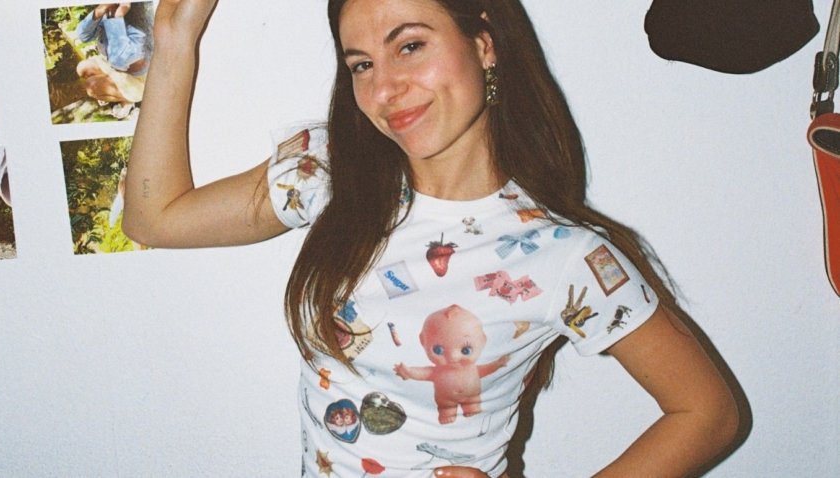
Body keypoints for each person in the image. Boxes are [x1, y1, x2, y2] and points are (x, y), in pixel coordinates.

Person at [123, 0, 740, 476]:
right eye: (361, 64)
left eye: (410, 46)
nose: (383, 90)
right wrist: (175, 35)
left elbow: (708, 414)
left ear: (484, 44)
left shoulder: (562, 254)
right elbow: (154, 219)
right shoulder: (331, 172)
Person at [75, 3, 153, 118]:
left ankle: (127, 101)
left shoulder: (139, 19)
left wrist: (118, 17)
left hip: (141, 79)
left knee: (92, 86)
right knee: (82, 68)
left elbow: (121, 59)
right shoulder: (111, 11)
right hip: (115, 65)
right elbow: (83, 36)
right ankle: (114, 90)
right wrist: (99, 11)